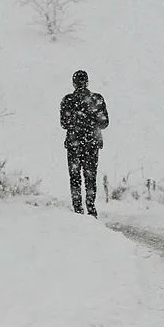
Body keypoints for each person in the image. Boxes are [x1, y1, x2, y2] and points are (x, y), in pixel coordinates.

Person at [60, 70, 109, 217]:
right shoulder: (97, 99)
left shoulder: (67, 100)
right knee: (90, 176)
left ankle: (78, 209)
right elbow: (105, 122)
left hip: (74, 143)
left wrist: (77, 123)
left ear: (73, 83)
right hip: (92, 143)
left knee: (75, 177)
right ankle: (91, 207)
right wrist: (91, 123)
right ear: (87, 82)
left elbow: (64, 123)